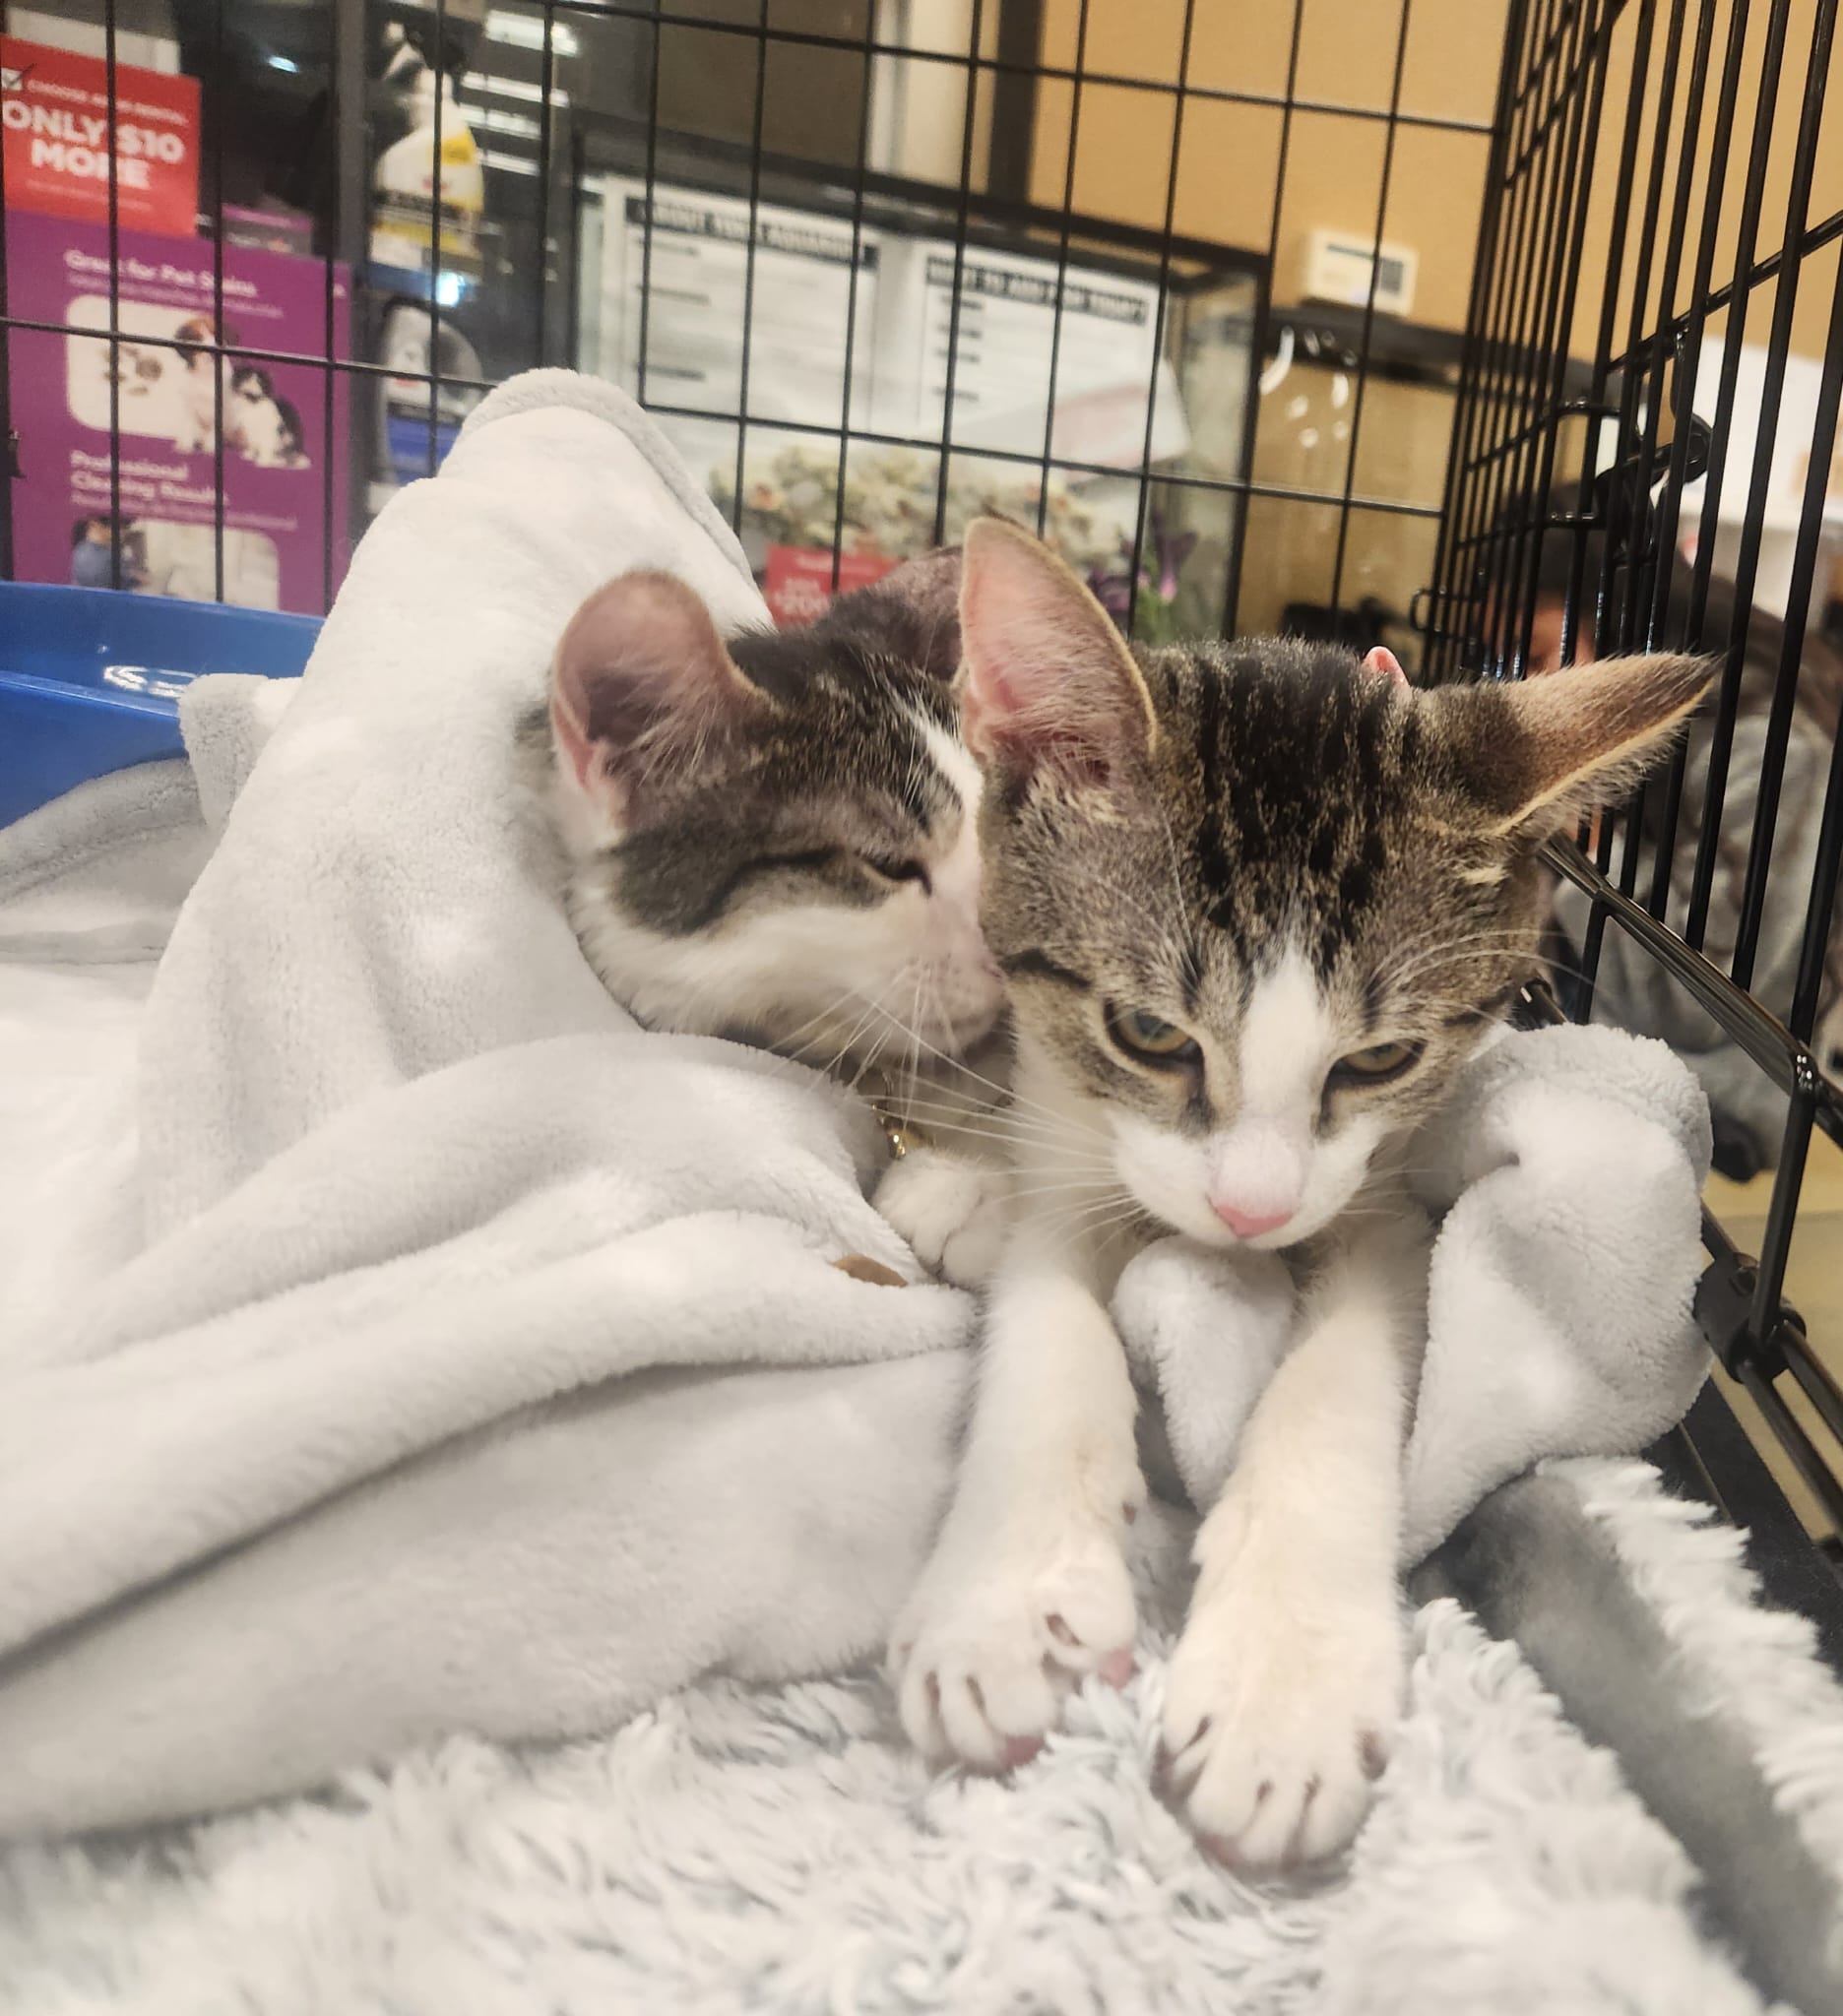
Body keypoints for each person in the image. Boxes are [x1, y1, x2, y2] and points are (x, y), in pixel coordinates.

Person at [1503, 508, 1843, 1178]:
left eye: (1538, 655)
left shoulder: (1776, 753)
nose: (1520, 689)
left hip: (1729, 1108)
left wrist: (1583, 840)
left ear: (1624, 627)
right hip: (1603, 1050)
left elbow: (1700, 1008)